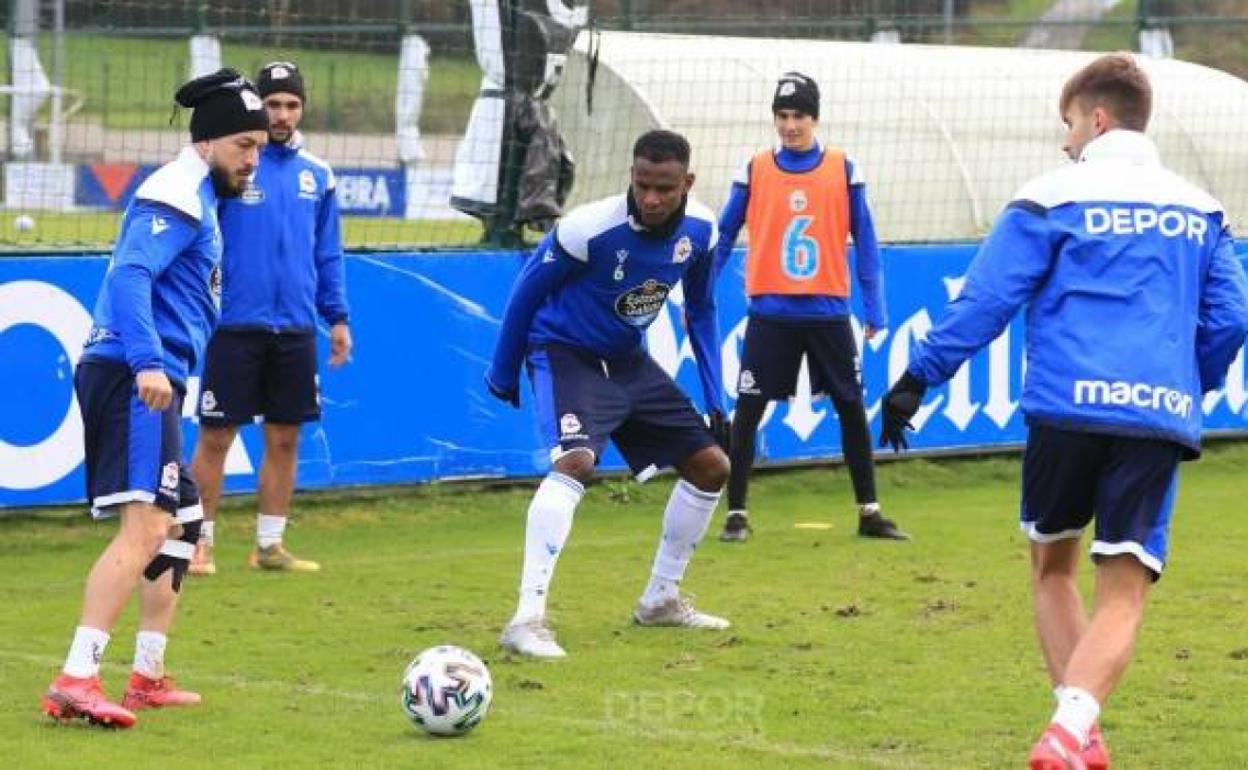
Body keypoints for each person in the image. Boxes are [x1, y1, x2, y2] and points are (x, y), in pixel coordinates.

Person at [878, 53, 1248, 769]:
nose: (1065, 140)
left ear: (1097, 119)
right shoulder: (1203, 210)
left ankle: (1073, 731)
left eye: (1070, 124)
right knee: (1124, 590)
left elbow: (987, 299)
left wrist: (918, 377)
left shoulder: (1049, 195)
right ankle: (1076, 730)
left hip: (1065, 410)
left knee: (1052, 569)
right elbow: (1232, 320)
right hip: (1155, 415)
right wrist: (1187, 384)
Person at [41, 70, 268, 728]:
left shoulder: (199, 192)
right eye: (244, 145)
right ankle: (77, 677)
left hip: (152, 372)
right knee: (144, 529)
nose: (253, 160)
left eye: (258, 148)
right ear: (208, 141)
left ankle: (146, 676)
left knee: (182, 524)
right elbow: (132, 274)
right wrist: (147, 361)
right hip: (132, 373)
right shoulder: (176, 190)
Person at [486, 129, 733, 658]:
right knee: (575, 462)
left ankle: (660, 601)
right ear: (632, 176)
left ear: (687, 182)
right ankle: (526, 620)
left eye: (664, 188)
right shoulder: (588, 228)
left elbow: (702, 309)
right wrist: (503, 369)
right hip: (564, 351)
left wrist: (717, 397)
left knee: (712, 467)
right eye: (642, 184)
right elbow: (526, 292)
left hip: (626, 359)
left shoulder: (702, 230)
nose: (651, 198)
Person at [715, 72, 907, 543]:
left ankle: (870, 512)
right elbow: (723, 235)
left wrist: (875, 309)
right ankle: (736, 513)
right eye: (782, 115)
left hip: (827, 312)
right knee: (749, 409)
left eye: (798, 115)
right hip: (771, 313)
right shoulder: (755, 168)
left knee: (850, 406)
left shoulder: (843, 169)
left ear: (814, 118)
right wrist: (699, 293)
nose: (789, 125)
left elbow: (866, 242)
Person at [189, 61, 351, 575]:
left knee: (285, 438)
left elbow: (328, 253)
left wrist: (337, 317)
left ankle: (269, 545)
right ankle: (197, 543)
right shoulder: (233, 166)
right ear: (259, 107)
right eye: (273, 104)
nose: (282, 114)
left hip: (296, 328)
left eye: (292, 105)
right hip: (234, 324)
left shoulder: (318, 175)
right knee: (217, 436)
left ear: (302, 109)